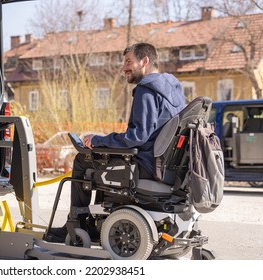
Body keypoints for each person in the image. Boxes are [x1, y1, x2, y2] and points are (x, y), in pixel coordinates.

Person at [46, 42, 185, 243]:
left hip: (145, 165)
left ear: (144, 61)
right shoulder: (173, 89)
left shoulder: (146, 91)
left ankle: (77, 225)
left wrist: (98, 140)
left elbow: (136, 137)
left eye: (129, 61)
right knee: (104, 157)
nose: (124, 68)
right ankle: (95, 222)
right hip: (166, 166)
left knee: (83, 160)